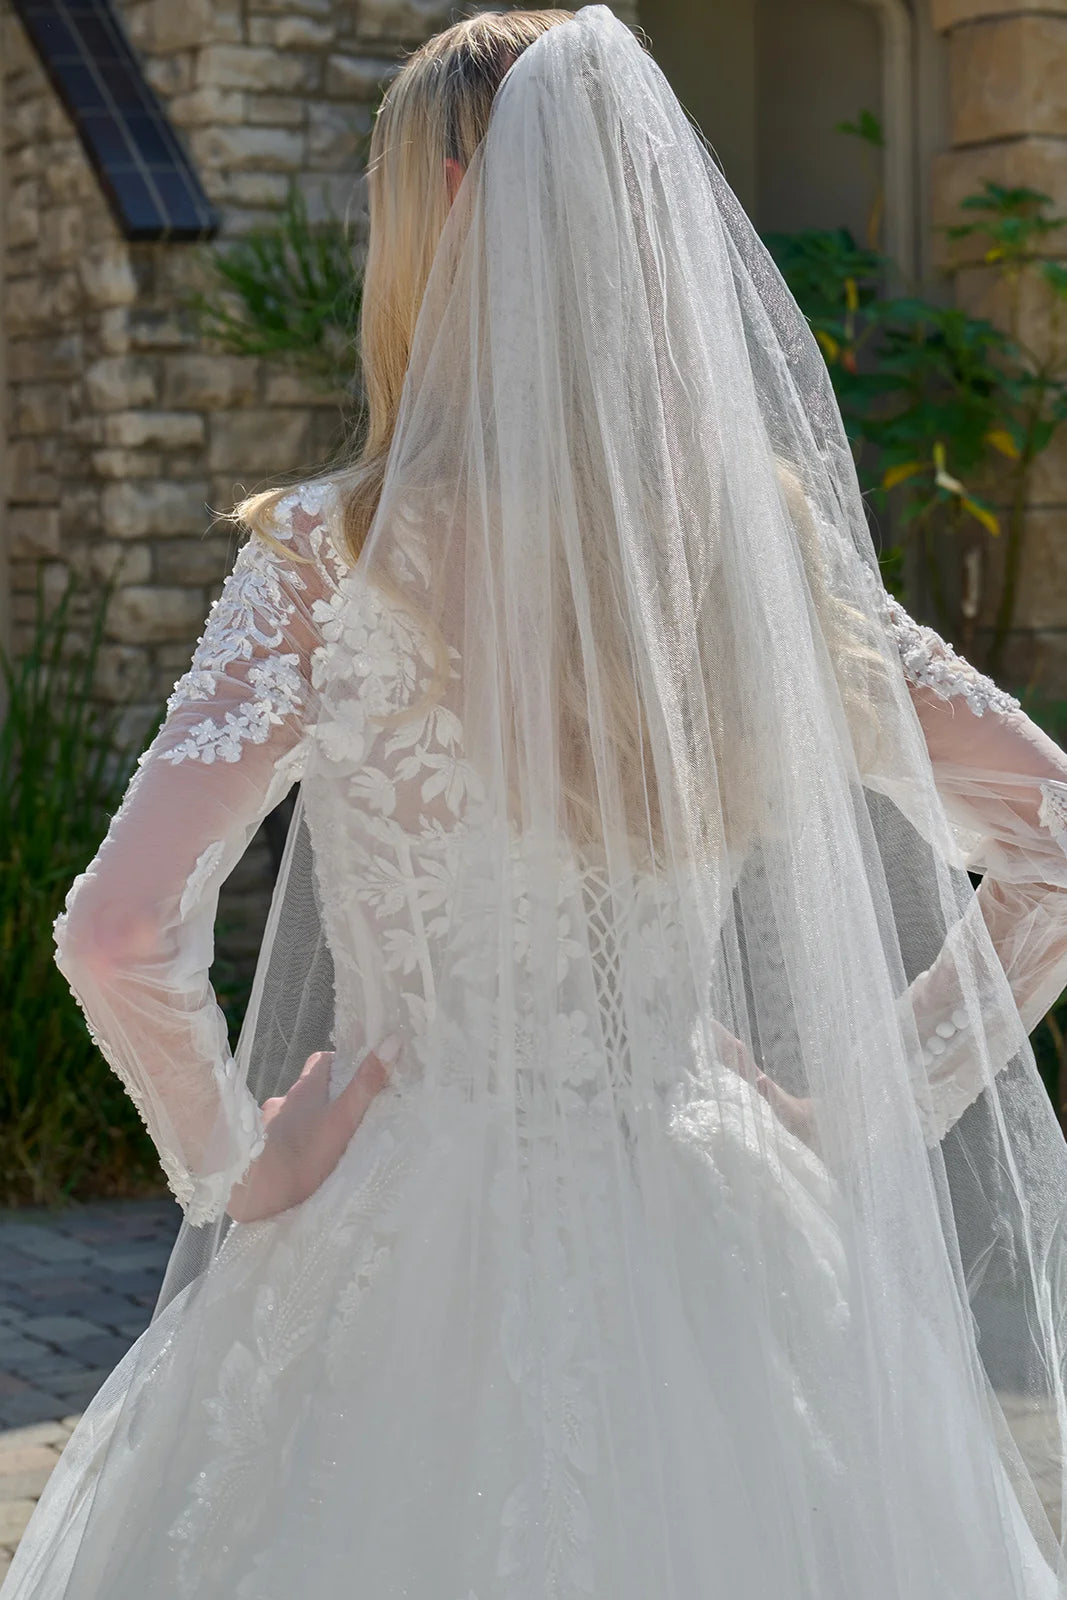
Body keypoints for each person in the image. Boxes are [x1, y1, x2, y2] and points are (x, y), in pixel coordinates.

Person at [7, 8, 1067, 1596]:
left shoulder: (326, 560)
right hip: (711, 1228)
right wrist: (866, 1104)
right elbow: (1053, 835)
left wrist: (236, 1159)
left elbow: (118, 928)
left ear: (430, 213)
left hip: (395, 1236)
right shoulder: (746, 560)